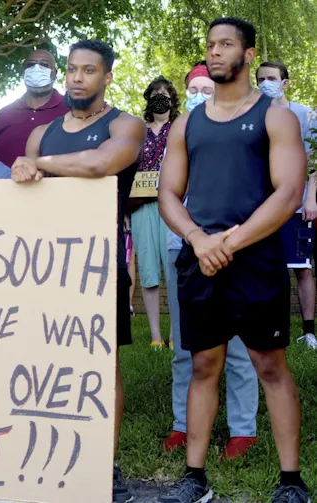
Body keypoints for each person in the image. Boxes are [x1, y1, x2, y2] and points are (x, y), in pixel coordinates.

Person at [157, 18, 310, 503]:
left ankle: (291, 481)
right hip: (200, 258)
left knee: (270, 365)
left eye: (226, 44)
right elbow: (167, 193)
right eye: (210, 45)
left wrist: (231, 241)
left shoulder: (274, 116)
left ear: (248, 54)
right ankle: (194, 478)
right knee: (204, 365)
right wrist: (199, 240)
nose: (215, 52)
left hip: (256, 260)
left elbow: (288, 194)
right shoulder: (187, 123)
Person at [10, 39, 145, 503]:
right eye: (71, 70)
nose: (76, 78)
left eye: (88, 71)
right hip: (42, 269)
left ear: (106, 77)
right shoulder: (41, 132)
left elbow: (101, 164)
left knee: (103, 367)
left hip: (99, 266)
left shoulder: (125, 125)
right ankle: (42, 459)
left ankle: (104, 466)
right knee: (42, 366)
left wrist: (39, 165)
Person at [161, 62, 259, 459]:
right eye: (194, 88)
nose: (201, 93)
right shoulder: (180, 130)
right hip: (182, 245)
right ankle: (183, 424)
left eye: (207, 87)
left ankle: (243, 430)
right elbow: (168, 191)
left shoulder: (244, 125)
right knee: (186, 344)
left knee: (238, 345)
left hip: (234, 244)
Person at [256, 61, 317, 349]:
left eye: (271, 78)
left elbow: (314, 162)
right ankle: (272, 327)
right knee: (267, 267)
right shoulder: (254, 115)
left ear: (285, 82)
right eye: (260, 79)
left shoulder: (305, 115)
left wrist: (311, 197)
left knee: (302, 268)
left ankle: (308, 332)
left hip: (297, 206)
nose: (265, 83)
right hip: (264, 207)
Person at [129, 76, 180, 349]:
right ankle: (155, 336)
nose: (161, 98)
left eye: (165, 94)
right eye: (155, 94)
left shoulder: (182, 129)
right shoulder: (137, 130)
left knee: (174, 271)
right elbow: (127, 167)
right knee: (148, 271)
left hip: (173, 206)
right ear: (148, 99)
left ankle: (175, 335)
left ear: (173, 99)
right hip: (141, 207)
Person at [0, 49, 70, 168]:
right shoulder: (3, 115)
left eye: (44, 64)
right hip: (3, 185)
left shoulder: (70, 111)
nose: (36, 69)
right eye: (31, 64)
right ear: (24, 72)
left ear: (54, 73)